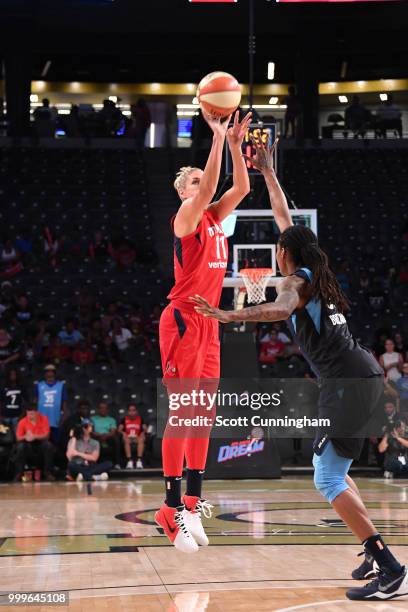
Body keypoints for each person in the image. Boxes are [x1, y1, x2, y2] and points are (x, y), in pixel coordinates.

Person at [191, 138, 408, 601]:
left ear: (286, 255)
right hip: (359, 375)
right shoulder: (311, 269)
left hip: (348, 383)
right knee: (334, 468)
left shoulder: (294, 283)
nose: (275, 249)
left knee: (325, 477)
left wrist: (229, 315)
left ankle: (389, 566)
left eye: (277, 247)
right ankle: (375, 554)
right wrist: (268, 172)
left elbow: (276, 308)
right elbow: (284, 218)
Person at [156, 109, 252, 553]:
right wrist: (215, 138)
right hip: (182, 321)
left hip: (209, 322)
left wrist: (234, 145)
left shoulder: (215, 218)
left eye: (200, 181)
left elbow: (242, 187)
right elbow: (213, 187)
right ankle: (169, 505)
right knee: (183, 413)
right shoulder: (186, 219)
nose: (201, 186)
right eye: (194, 182)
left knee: (203, 417)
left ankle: (192, 501)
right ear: (182, 192)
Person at [15, 403, 55, 482]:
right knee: (20, 447)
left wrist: (34, 436)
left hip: (40, 443)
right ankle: (19, 473)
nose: (30, 416)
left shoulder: (44, 419)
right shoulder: (22, 421)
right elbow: (18, 438)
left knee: (49, 446)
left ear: (37, 412)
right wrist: (25, 436)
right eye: (28, 414)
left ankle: (48, 472)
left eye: (32, 414)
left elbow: (47, 436)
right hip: (27, 443)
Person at [36, 364, 68, 443]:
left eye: (51, 371)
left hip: (55, 420)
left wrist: (63, 417)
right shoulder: (39, 385)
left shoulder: (61, 385)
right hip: (41, 421)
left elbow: (64, 404)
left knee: (55, 443)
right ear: (45, 373)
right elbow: (35, 402)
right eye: (47, 371)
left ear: (55, 373)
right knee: (42, 444)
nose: (49, 373)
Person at [91, 402, 121, 468]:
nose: (103, 410)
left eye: (105, 408)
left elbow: (113, 432)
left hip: (108, 438)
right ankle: (93, 463)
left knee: (116, 440)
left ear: (107, 410)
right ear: (98, 409)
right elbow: (91, 431)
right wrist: (99, 435)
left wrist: (105, 436)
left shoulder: (111, 419)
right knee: (92, 440)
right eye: (101, 408)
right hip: (96, 437)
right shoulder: (93, 419)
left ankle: (117, 463)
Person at [118, 403, 146, 469]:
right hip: (128, 438)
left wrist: (143, 432)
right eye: (130, 410)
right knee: (126, 439)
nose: (132, 412)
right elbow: (119, 430)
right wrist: (123, 433)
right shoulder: (124, 419)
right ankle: (129, 461)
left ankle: (139, 461)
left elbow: (145, 429)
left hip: (137, 438)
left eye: (133, 410)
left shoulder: (141, 419)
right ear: (128, 412)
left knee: (141, 439)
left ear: (136, 411)